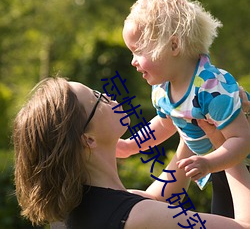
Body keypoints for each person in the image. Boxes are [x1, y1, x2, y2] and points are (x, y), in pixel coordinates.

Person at [13, 77, 250, 229]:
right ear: (88, 139)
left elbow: (159, 198)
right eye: (98, 99)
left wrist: (191, 115)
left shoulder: (79, 211)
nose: (109, 97)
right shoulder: (137, 217)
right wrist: (226, 144)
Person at [120, 0, 250, 218]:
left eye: (138, 51)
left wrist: (209, 163)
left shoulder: (211, 88)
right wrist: (131, 145)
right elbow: (165, 123)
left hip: (239, 165)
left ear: (173, 46)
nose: (133, 61)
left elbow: (242, 139)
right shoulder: (162, 88)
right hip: (220, 168)